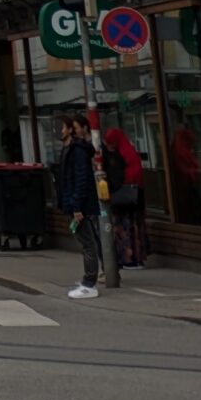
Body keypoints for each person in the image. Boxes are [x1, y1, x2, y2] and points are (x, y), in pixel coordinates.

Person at [55, 113, 107, 298]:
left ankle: (89, 283)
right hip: (73, 203)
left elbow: (81, 179)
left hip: (79, 205)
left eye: (63, 127)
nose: (60, 131)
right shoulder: (69, 149)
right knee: (86, 241)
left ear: (70, 130)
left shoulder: (76, 151)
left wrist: (77, 206)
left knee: (88, 243)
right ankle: (89, 279)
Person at [102, 121, 149, 269]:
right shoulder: (128, 151)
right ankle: (135, 257)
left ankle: (129, 258)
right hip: (134, 197)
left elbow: (123, 175)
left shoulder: (120, 155)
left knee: (125, 229)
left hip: (124, 197)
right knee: (133, 228)